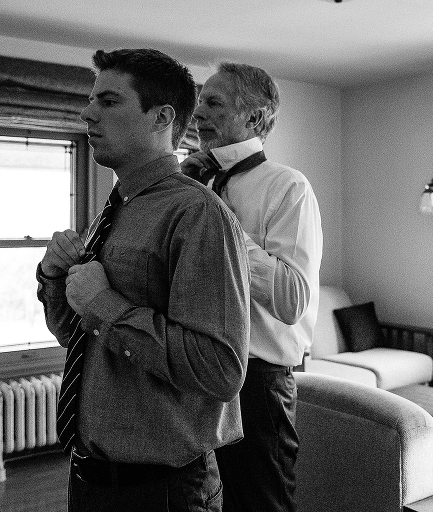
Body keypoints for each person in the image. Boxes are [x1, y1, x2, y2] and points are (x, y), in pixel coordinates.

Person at [37, 48, 251, 512]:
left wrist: (105, 304)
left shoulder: (197, 215)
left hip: (162, 492)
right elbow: (81, 338)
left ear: (162, 117)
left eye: (109, 102)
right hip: (90, 478)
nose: (87, 111)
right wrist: (56, 278)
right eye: (92, 99)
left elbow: (221, 370)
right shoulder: (115, 211)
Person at [181, 62, 323, 512]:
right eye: (200, 100)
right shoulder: (191, 183)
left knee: (261, 503)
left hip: (256, 383)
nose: (198, 112)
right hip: (195, 368)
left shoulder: (288, 187)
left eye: (213, 102)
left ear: (255, 119)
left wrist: (221, 222)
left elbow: (290, 299)